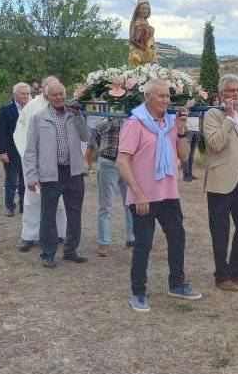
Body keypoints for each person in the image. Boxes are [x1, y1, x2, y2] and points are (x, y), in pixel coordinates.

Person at [117, 78, 202, 312]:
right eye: (160, 96)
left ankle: (176, 284)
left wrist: (182, 132)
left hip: (168, 194)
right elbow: (122, 161)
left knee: (177, 238)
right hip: (143, 196)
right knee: (143, 244)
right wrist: (137, 192)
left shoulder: (171, 123)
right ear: (147, 97)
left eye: (168, 96)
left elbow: (183, 157)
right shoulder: (135, 124)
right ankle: (138, 292)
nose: (166, 100)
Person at [23, 81, 91, 269]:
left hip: (74, 172)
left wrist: (79, 116)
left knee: (74, 213)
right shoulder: (38, 118)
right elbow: (30, 150)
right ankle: (48, 253)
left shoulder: (74, 115)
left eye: (62, 94)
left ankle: (71, 250)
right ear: (47, 97)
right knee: (48, 215)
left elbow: (86, 137)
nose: (60, 98)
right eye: (55, 95)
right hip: (50, 173)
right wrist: (31, 176)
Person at [203, 74, 238, 292]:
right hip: (221, 181)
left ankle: (237, 271)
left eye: (237, 90)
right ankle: (221, 275)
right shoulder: (212, 115)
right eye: (230, 91)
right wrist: (227, 118)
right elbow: (215, 144)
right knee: (220, 229)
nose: (235, 94)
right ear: (221, 94)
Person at [13, 76, 66, 252]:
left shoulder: (64, 106)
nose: (53, 90)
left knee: (60, 201)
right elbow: (21, 135)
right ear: (43, 89)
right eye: (49, 86)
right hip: (37, 162)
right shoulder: (32, 108)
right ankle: (29, 235)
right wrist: (29, 161)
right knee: (32, 200)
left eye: (56, 86)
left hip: (59, 163)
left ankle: (59, 232)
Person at [94, 113, 135, 257]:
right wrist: (114, 116)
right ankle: (103, 242)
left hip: (128, 163)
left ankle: (132, 237)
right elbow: (99, 128)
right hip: (108, 162)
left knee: (130, 202)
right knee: (106, 205)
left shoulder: (133, 113)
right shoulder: (107, 111)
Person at [0, 82, 31, 216]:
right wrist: (2, 151)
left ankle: (24, 205)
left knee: (25, 180)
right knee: (11, 180)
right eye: (23, 94)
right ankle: (9, 206)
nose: (26, 96)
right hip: (10, 151)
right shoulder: (6, 110)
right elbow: (0, 132)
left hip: (27, 150)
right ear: (15, 94)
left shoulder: (31, 109)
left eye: (28, 94)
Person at [182, 106, 201, 181]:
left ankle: (190, 173)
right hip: (188, 132)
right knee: (186, 154)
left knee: (191, 155)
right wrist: (185, 128)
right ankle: (186, 175)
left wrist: (199, 130)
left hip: (196, 131)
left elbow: (200, 119)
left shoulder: (198, 107)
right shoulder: (185, 105)